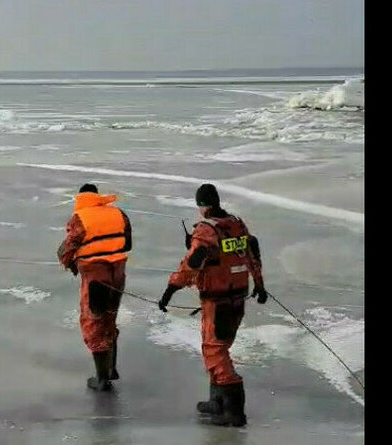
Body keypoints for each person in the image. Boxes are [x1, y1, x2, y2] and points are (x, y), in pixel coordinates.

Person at [157, 183, 267, 427]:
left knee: (215, 351)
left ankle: (234, 411)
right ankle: (217, 401)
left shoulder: (206, 231)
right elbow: (252, 254)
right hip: (238, 296)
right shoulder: (236, 224)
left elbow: (191, 265)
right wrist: (259, 285)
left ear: (202, 206)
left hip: (217, 300)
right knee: (220, 346)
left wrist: (170, 290)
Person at [58, 183, 132, 391]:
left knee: (94, 324)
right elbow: (127, 244)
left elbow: (66, 251)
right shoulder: (118, 214)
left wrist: (73, 264)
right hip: (118, 275)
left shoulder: (79, 219)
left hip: (95, 279)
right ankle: (111, 369)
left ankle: (102, 379)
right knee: (110, 318)